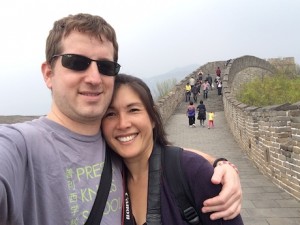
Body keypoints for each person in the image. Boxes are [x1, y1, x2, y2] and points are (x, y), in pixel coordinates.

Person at [0, 13, 241, 225]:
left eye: (105, 66)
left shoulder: (114, 145)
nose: (94, 78)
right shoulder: (18, 146)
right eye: (77, 63)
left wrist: (221, 165)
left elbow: (165, 155)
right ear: (48, 73)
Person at [101, 74, 244, 225]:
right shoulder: (106, 178)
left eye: (133, 110)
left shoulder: (193, 171)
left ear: (152, 118)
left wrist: (221, 164)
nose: (123, 124)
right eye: (110, 114)